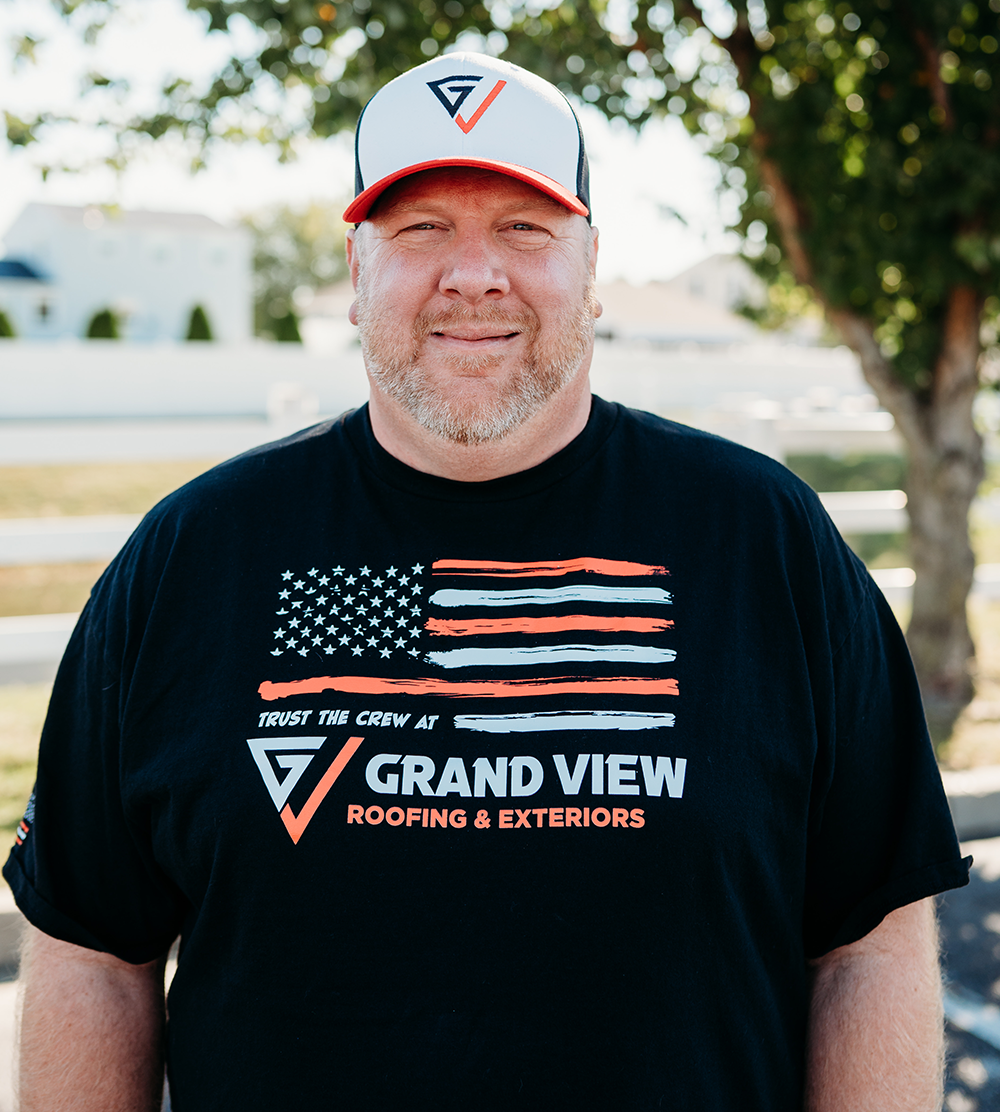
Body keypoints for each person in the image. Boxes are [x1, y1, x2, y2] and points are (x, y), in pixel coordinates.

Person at [6, 52, 969, 1111]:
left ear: (590, 268)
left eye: (523, 227)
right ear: (357, 266)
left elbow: (867, 938)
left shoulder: (764, 541)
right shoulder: (193, 556)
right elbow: (93, 950)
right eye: (420, 228)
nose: (473, 274)